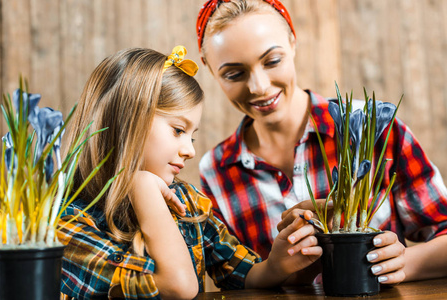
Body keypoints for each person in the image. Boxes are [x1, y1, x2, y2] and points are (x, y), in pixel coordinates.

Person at [197, 0, 447, 285]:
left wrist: (402, 263)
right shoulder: (215, 170)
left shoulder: (373, 126)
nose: (259, 86)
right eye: (234, 74)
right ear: (208, 67)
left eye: (272, 60)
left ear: (293, 41)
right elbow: (232, 279)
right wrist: (285, 270)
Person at [58, 46, 323, 300]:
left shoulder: (188, 201)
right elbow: (178, 287)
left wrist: (276, 265)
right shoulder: (68, 224)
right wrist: (142, 186)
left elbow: (242, 275)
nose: (190, 151)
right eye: (177, 130)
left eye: (192, 137)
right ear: (127, 122)